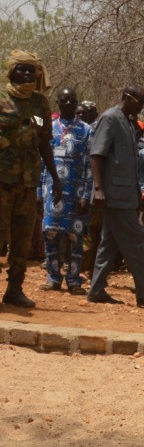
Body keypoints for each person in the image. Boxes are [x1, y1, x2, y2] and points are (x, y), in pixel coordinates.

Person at [86, 86, 144, 308]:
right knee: (136, 242)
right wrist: (98, 188)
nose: (142, 107)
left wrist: (136, 196)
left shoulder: (127, 122)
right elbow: (96, 155)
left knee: (109, 244)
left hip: (125, 194)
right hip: (114, 195)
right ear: (127, 99)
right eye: (139, 102)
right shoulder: (110, 118)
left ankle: (96, 290)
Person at [0, 51, 62, 307]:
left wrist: (55, 178)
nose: (27, 74)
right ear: (11, 71)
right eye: (22, 69)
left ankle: (14, 290)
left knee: (23, 239)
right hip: (2, 180)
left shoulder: (40, 103)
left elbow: (44, 141)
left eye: (31, 70)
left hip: (28, 182)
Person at [39, 87, 93, 295]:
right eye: (64, 100)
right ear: (58, 103)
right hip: (51, 191)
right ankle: (53, 278)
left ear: (76, 102)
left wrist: (86, 194)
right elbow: (42, 161)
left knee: (75, 238)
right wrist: (38, 191)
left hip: (76, 191)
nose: (68, 104)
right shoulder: (49, 128)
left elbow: (89, 164)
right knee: (50, 235)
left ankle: (73, 280)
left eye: (71, 100)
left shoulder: (86, 130)